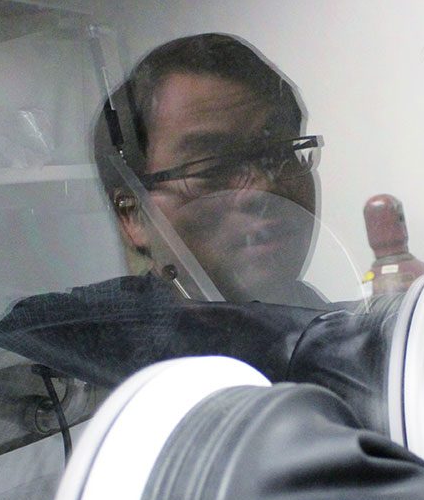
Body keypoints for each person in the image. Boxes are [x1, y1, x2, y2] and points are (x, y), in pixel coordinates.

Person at [95, 32, 327, 308]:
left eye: (281, 153)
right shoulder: (82, 340)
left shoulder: (340, 334)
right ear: (131, 215)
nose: (264, 188)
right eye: (213, 168)